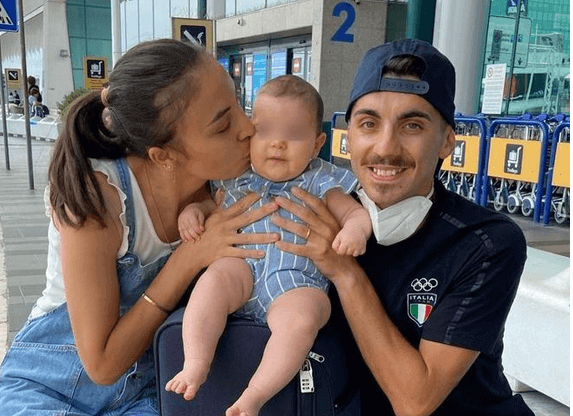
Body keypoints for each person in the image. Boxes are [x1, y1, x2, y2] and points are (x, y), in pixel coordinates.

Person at [0, 38, 279, 415]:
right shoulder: (100, 193)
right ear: (164, 156)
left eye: (240, 104)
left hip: (154, 386)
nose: (249, 128)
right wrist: (190, 258)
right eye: (224, 124)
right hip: (47, 383)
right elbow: (101, 365)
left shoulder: (229, 183)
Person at [271, 39, 535, 416]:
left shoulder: (486, 242)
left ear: (447, 141)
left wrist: (344, 272)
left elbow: (415, 401)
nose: (385, 147)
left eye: (412, 125)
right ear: (348, 138)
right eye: (368, 123)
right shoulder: (315, 215)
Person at [165, 75, 372, 416]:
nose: (277, 144)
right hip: (240, 266)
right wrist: (193, 211)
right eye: (265, 132)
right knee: (211, 284)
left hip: (295, 281)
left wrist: (354, 231)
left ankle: (255, 394)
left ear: (317, 143)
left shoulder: (323, 179)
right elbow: (212, 205)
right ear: (248, 132)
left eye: (293, 135)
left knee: (303, 320)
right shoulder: (235, 174)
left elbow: (355, 213)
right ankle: (195, 363)